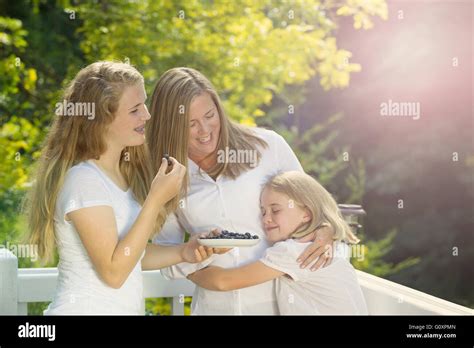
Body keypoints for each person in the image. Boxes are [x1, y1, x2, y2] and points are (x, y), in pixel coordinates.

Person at [24, 61, 213, 315]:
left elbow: (130, 255)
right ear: (102, 119)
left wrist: (184, 251)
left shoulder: (119, 174)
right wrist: (155, 199)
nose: (146, 115)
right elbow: (113, 272)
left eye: (144, 104)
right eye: (135, 109)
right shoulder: (84, 181)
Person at [147, 67, 336, 314]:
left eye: (210, 115)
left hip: (281, 305)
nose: (205, 130)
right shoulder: (168, 177)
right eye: (191, 124)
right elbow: (168, 258)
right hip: (214, 308)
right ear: (170, 126)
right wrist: (197, 256)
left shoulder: (269, 146)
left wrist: (326, 230)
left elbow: (316, 210)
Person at [188, 171, 368, 315]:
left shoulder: (294, 251)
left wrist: (187, 270)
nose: (266, 219)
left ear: (307, 213)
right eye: (263, 211)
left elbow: (223, 282)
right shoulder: (329, 244)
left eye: (276, 210)